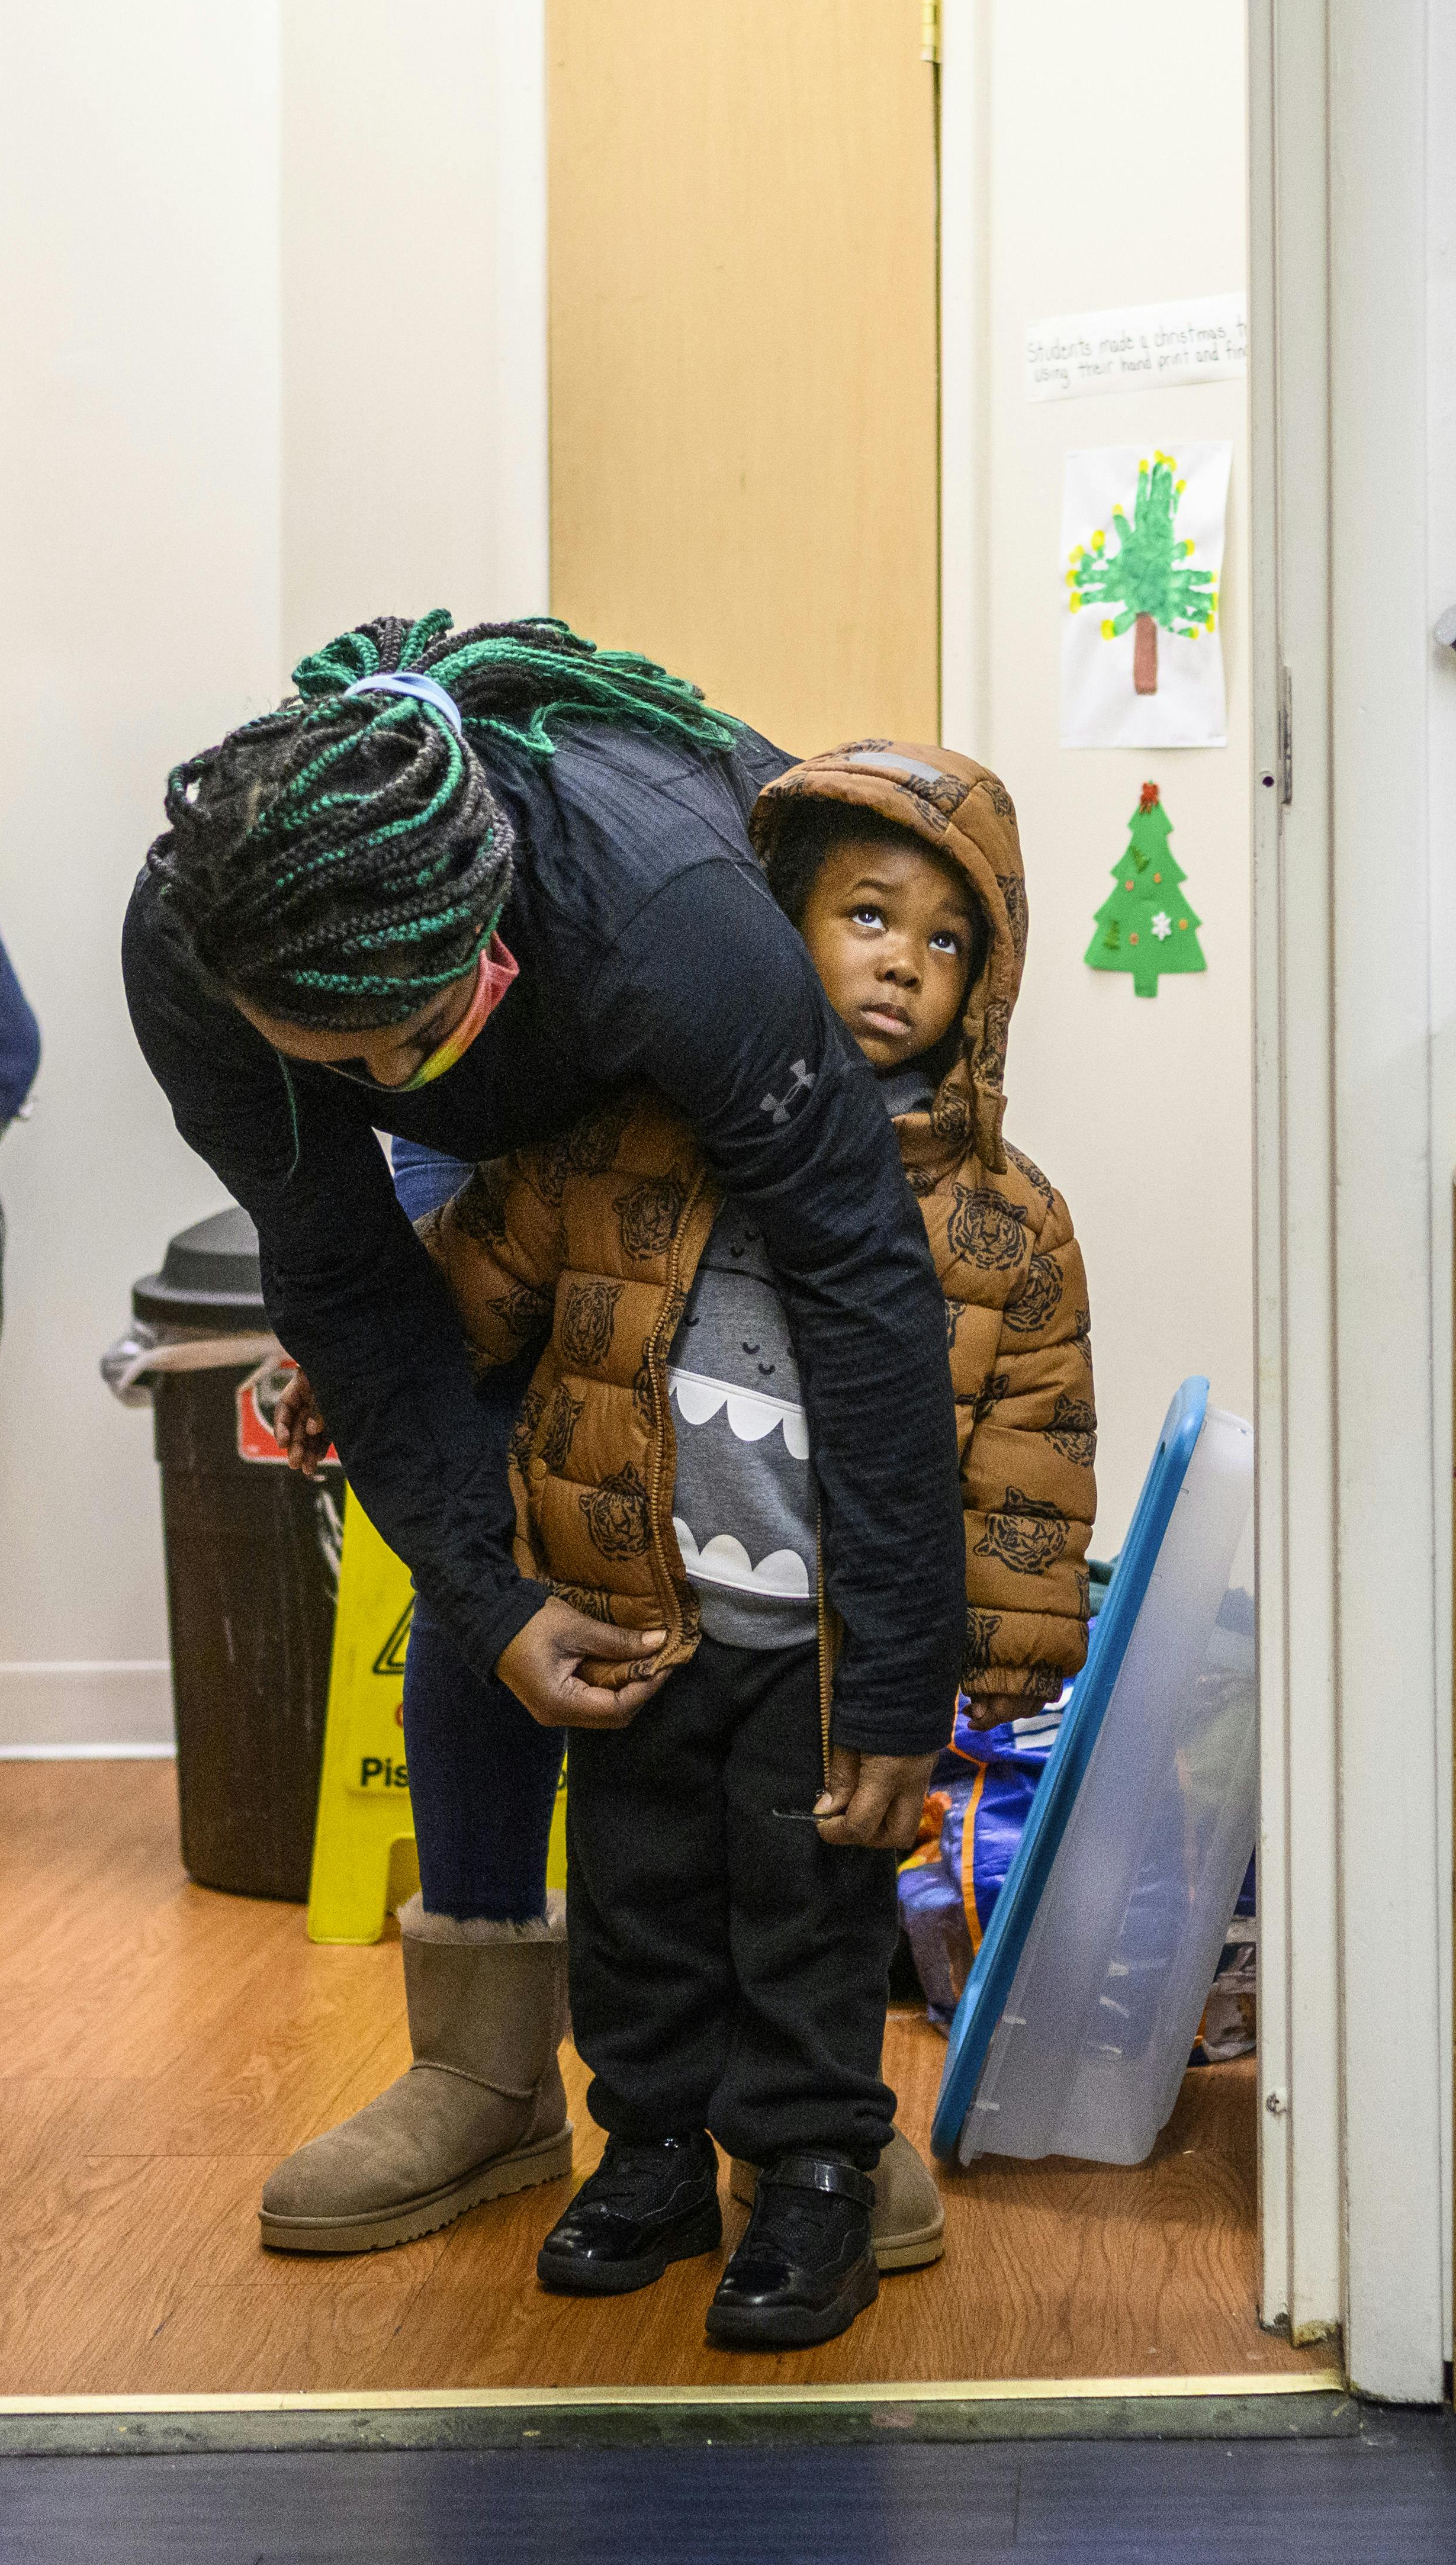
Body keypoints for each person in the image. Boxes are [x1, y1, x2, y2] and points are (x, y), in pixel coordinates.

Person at [123, 617, 970, 2271]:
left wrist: (897, 1676)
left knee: (759, 1516)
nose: (370, 1078)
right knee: (501, 1511)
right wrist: (493, 1596)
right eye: (333, 1057)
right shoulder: (197, 949)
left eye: (396, 1035)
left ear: (483, 924)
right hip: (500, 1107)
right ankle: (488, 2075)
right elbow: (348, 1283)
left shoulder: (680, 922)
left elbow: (868, 1283)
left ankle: (805, 2113)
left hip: (699, 1064)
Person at [420, 741, 1095, 2348]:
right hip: (636, 1621)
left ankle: (806, 2175)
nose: (900, 965)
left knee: (809, 1924)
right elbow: (495, 1270)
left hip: (830, 1660)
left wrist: (967, 1675)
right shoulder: (629, 1133)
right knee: (642, 1903)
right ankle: (647, 2153)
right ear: (777, 925)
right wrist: (360, 1356)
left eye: (946, 945)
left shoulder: (1005, 1218)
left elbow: (1030, 1457)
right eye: (867, 917)